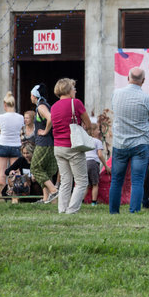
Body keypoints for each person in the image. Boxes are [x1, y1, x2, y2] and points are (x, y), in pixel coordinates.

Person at [109, 67, 149, 214]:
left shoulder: (116, 94)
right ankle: (134, 211)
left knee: (117, 180)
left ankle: (113, 212)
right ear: (143, 81)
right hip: (139, 143)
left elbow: (115, 112)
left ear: (128, 77)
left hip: (120, 143)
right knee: (137, 180)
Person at [50, 78, 92, 214]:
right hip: (73, 146)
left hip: (58, 147)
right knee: (81, 181)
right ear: (68, 90)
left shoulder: (54, 106)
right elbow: (88, 123)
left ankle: (62, 209)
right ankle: (72, 210)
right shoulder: (76, 103)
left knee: (65, 180)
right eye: (73, 88)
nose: (75, 90)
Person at [30, 84, 59, 204]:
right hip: (49, 143)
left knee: (35, 167)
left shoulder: (41, 106)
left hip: (44, 143)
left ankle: (53, 191)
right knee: (45, 170)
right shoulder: (46, 104)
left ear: (34, 96)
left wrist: (45, 131)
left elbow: (50, 118)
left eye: (31, 95)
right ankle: (46, 199)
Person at [0, 91, 24, 188]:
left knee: (2, 173)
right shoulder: (20, 117)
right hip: (16, 145)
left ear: (4, 104)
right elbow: (21, 131)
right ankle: (16, 193)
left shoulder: (1, 117)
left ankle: (2, 195)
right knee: (16, 172)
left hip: (2, 144)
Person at [85, 123, 108, 206]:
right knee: (95, 184)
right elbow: (100, 154)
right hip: (93, 163)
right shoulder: (97, 141)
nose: (99, 132)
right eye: (98, 130)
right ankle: (93, 202)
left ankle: (80, 201)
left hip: (84, 163)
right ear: (93, 131)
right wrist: (105, 165)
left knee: (86, 185)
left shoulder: (85, 141)